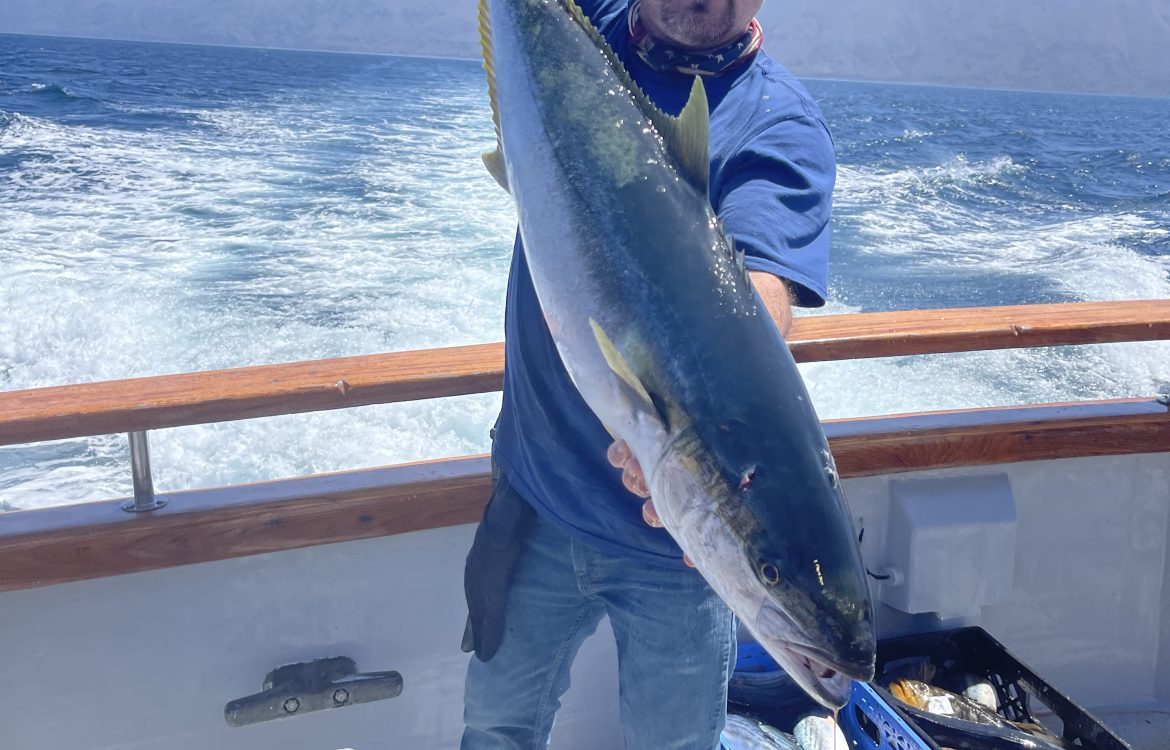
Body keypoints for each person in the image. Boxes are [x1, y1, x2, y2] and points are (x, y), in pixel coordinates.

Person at [461, 0, 836, 747]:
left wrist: (690, 419)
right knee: (496, 728)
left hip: (679, 557)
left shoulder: (778, 125)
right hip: (538, 496)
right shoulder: (587, 23)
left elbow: (760, 293)